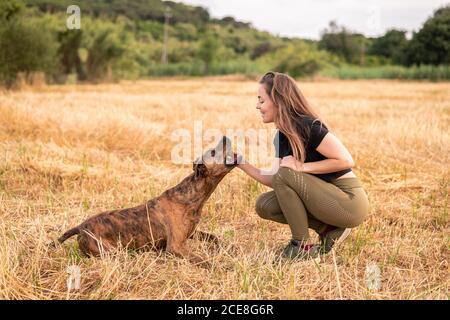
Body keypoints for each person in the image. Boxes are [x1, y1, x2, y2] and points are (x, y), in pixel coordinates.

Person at [237, 71, 370, 261]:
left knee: (285, 173)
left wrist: (301, 167)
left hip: (349, 202)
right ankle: (329, 230)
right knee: (264, 205)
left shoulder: (308, 126)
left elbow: (346, 160)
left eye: (261, 100)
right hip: (326, 200)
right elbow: (277, 179)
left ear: (278, 101)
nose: (257, 106)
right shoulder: (282, 136)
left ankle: (302, 246)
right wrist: (239, 162)